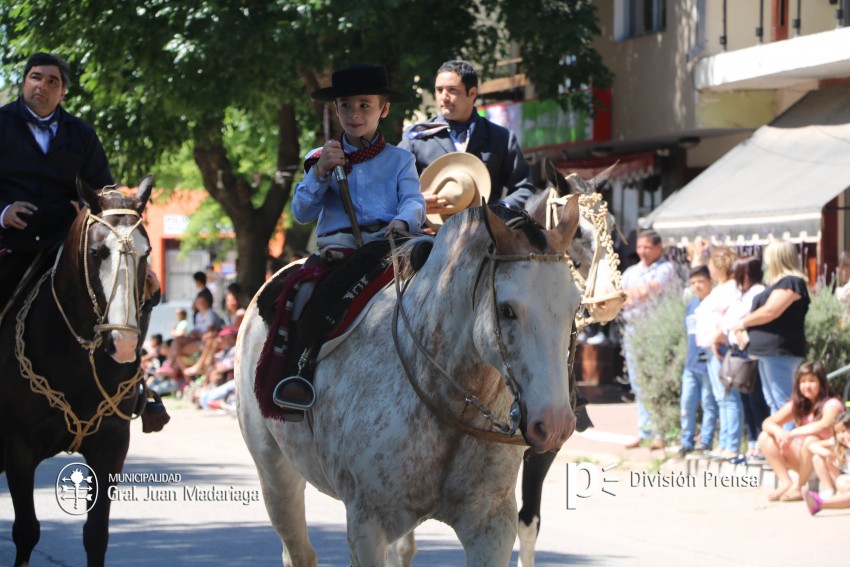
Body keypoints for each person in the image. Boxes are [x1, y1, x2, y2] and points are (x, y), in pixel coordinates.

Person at [274, 63, 425, 410]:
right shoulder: (319, 158)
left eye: (364, 105)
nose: (354, 114)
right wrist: (320, 174)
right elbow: (301, 214)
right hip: (338, 253)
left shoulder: (401, 160)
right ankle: (299, 372)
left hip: (388, 249)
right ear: (335, 109)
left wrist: (402, 222)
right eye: (345, 105)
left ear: (383, 109)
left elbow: (414, 201)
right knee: (303, 295)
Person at [0, 52, 113, 311]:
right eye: (35, 77)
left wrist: (86, 207)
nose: (42, 85)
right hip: (9, 241)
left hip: (66, 242)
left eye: (53, 81)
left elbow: (103, 188)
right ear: (24, 83)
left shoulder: (82, 133)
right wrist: (3, 211)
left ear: (62, 93)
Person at [398, 59, 536, 215]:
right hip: (428, 235)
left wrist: (500, 210)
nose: (443, 97)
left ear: (472, 93)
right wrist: (414, 201)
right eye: (439, 90)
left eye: (452, 90)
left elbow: (524, 188)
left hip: (485, 234)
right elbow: (389, 185)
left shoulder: (501, 138)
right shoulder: (417, 138)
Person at [734, 240, 810, 416]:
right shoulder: (779, 283)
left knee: (783, 400)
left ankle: (791, 438)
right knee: (773, 401)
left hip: (780, 350)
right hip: (768, 352)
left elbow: (771, 311)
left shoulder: (792, 282)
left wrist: (743, 323)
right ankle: (780, 440)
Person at [621, 228, 676, 449]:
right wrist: (631, 295)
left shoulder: (666, 268)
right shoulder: (631, 271)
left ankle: (660, 432)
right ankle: (644, 430)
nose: (642, 251)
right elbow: (617, 296)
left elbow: (650, 291)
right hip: (633, 329)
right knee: (638, 381)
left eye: (647, 247)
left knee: (656, 380)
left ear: (658, 248)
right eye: (640, 247)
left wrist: (628, 295)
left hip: (656, 330)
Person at [758, 361, 843, 501]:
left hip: (826, 461)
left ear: (822, 383)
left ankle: (799, 486)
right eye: (802, 381)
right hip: (804, 461)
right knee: (765, 436)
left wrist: (791, 433)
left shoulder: (832, 404)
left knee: (811, 440)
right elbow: (767, 423)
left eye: (811, 381)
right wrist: (779, 432)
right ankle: (786, 483)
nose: (807, 386)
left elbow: (824, 425)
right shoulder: (798, 405)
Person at [719, 256, 771, 460]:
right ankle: (752, 440)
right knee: (745, 398)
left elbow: (743, 319)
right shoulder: (740, 293)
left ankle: (760, 440)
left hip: (749, 350)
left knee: (756, 398)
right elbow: (728, 319)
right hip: (736, 348)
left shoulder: (758, 292)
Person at [696, 246, 742, 461]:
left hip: (722, 347)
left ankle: (731, 444)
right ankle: (724, 442)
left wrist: (718, 335)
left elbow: (732, 315)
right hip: (712, 347)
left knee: (728, 397)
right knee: (720, 397)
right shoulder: (721, 287)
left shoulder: (732, 287)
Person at [677, 265, 718, 458]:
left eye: (701, 281)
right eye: (693, 283)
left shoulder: (714, 303)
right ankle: (686, 442)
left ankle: (706, 441)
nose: (697, 286)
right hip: (691, 363)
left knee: (709, 403)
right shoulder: (691, 306)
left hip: (709, 363)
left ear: (710, 281)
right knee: (687, 403)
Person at [805, 411, 850, 515]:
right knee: (817, 457)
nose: (841, 436)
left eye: (844, 431)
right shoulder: (838, 443)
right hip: (844, 480)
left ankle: (820, 503)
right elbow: (812, 446)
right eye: (837, 432)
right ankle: (829, 491)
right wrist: (827, 453)